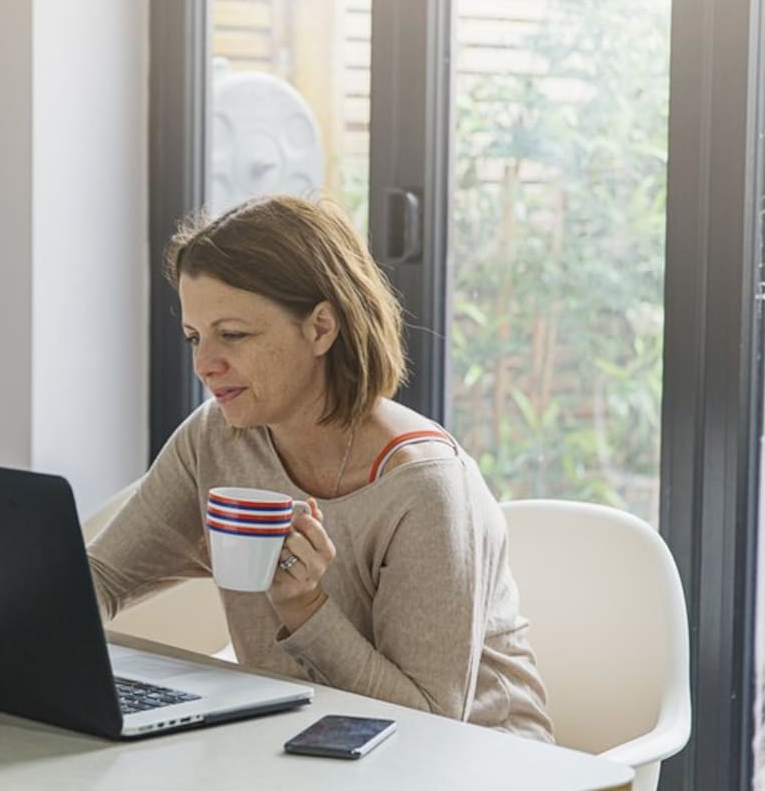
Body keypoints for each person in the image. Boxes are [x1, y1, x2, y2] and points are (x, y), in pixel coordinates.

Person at [87, 195, 554, 742]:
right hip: (304, 746)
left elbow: (431, 723)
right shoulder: (216, 438)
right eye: (195, 336)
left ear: (320, 328)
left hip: (477, 765)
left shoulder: (425, 487)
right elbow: (102, 579)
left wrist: (305, 608)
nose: (204, 363)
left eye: (232, 334)